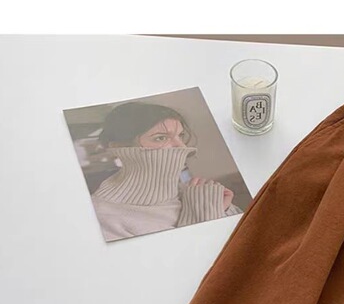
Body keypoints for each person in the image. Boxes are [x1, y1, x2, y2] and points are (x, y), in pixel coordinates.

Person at [90, 102, 242, 242]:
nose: (182, 147)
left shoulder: (195, 192)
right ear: (120, 148)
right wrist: (204, 216)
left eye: (181, 136)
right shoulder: (102, 217)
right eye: (160, 138)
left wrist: (222, 209)